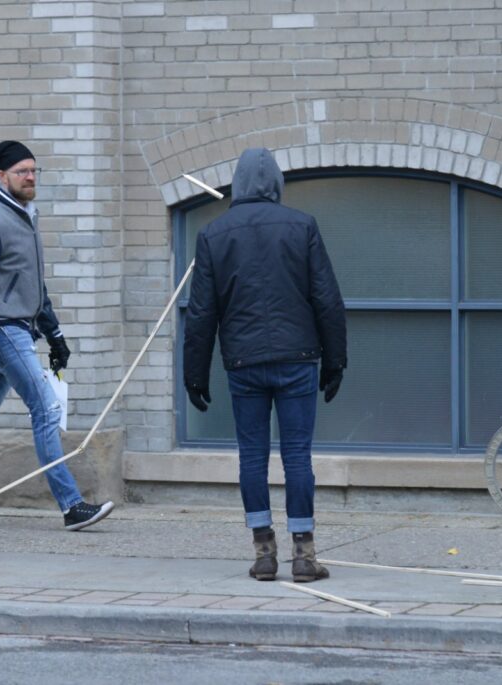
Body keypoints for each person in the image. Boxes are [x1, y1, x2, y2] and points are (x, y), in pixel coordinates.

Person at [0, 140, 114, 531]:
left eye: (33, 170)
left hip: (17, 331)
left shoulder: (27, 217)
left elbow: (35, 286)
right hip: (1, 331)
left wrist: (55, 335)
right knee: (46, 409)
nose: (30, 177)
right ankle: (71, 505)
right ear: (1, 176)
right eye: (21, 172)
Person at [182, 148, 347, 583]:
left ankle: (263, 553)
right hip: (298, 360)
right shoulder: (302, 226)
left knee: (251, 458)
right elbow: (327, 299)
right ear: (276, 183)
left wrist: (194, 372)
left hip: (243, 362)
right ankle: (305, 554)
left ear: (236, 183)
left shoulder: (213, 234)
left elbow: (201, 314)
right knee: (298, 456)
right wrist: (336, 361)